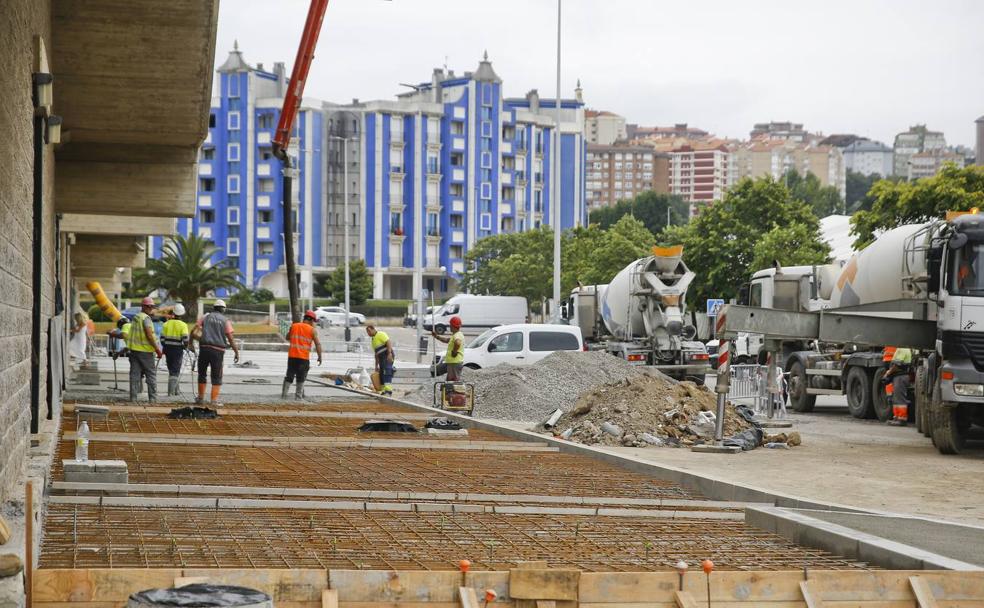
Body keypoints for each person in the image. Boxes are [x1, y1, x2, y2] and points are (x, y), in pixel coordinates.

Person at [192, 299, 239, 407]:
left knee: (202, 373)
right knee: (217, 375)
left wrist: (192, 343)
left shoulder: (205, 317)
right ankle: (213, 401)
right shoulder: (225, 320)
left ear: (214, 308)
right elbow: (230, 338)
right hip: (217, 351)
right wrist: (236, 352)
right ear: (223, 309)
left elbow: (194, 331)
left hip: (204, 349)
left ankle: (200, 398)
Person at [126, 296, 164, 402]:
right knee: (150, 375)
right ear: (143, 306)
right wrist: (157, 349)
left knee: (134, 375)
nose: (150, 308)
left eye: (151, 307)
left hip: (134, 351)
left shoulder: (136, 317)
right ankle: (153, 399)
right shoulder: (146, 319)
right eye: (149, 306)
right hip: (145, 352)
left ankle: (133, 398)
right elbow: (149, 335)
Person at [282, 310, 323, 400]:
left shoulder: (294, 326)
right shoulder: (312, 330)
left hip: (292, 357)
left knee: (289, 376)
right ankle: (298, 398)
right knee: (301, 378)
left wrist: (292, 330)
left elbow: (287, 337)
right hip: (303, 359)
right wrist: (320, 356)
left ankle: (284, 396)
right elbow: (317, 344)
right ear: (311, 320)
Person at [161, 303, 190, 396]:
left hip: (167, 350)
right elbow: (185, 339)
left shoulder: (166, 324)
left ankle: (176, 391)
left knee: (171, 370)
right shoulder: (183, 325)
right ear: (182, 314)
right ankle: (171, 393)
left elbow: (162, 339)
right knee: (175, 370)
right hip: (177, 350)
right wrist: (185, 346)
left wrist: (166, 346)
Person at [885, 346, 913, 426]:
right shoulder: (902, 348)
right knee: (896, 398)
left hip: (901, 376)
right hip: (899, 376)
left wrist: (889, 372)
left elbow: (897, 364)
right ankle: (897, 417)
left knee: (900, 398)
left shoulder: (903, 349)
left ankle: (902, 419)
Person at [432, 316, 465, 381]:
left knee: (453, 382)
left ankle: (454, 391)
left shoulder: (457, 335)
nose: (449, 326)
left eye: (450, 325)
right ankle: (450, 391)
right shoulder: (457, 334)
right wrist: (436, 336)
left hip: (454, 363)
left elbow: (457, 343)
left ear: (453, 326)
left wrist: (454, 352)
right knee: (450, 382)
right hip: (453, 363)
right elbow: (446, 340)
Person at [365, 324, 394, 396]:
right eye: (367, 332)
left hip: (387, 355)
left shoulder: (381, 334)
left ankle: (388, 391)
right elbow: (376, 354)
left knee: (387, 371)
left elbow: (388, 342)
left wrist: (389, 353)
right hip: (381, 358)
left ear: (372, 329)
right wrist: (376, 365)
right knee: (381, 373)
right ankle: (384, 390)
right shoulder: (373, 340)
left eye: (368, 331)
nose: (368, 334)